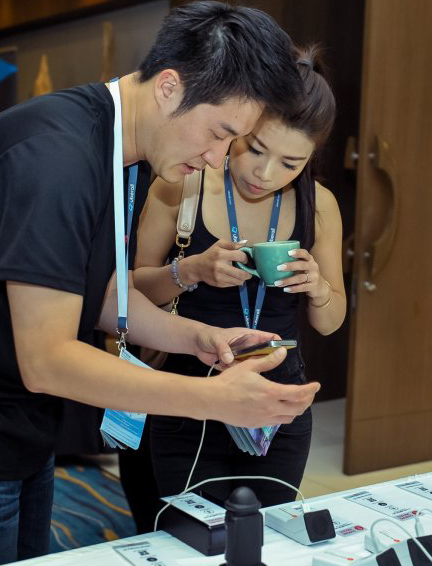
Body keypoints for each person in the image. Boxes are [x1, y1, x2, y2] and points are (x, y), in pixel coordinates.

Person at [0, 3, 320, 565]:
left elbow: (95, 288)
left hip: (13, 418)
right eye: (221, 134)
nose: (219, 157)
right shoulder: (56, 157)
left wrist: (197, 337)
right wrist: (213, 401)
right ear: (170, 87)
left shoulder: (130, 149)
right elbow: (46, 360)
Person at [130, 46, 345, 521]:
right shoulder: (182, 184)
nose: (264, 175)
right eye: (256, 149)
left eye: (291, 163)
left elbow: (330, 324)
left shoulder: (320, 205)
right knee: (188, 538)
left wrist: (318, 288)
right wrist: (190, 271)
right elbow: (128, 297)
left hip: (278, 402)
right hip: (189, 398)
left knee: (262, 537)